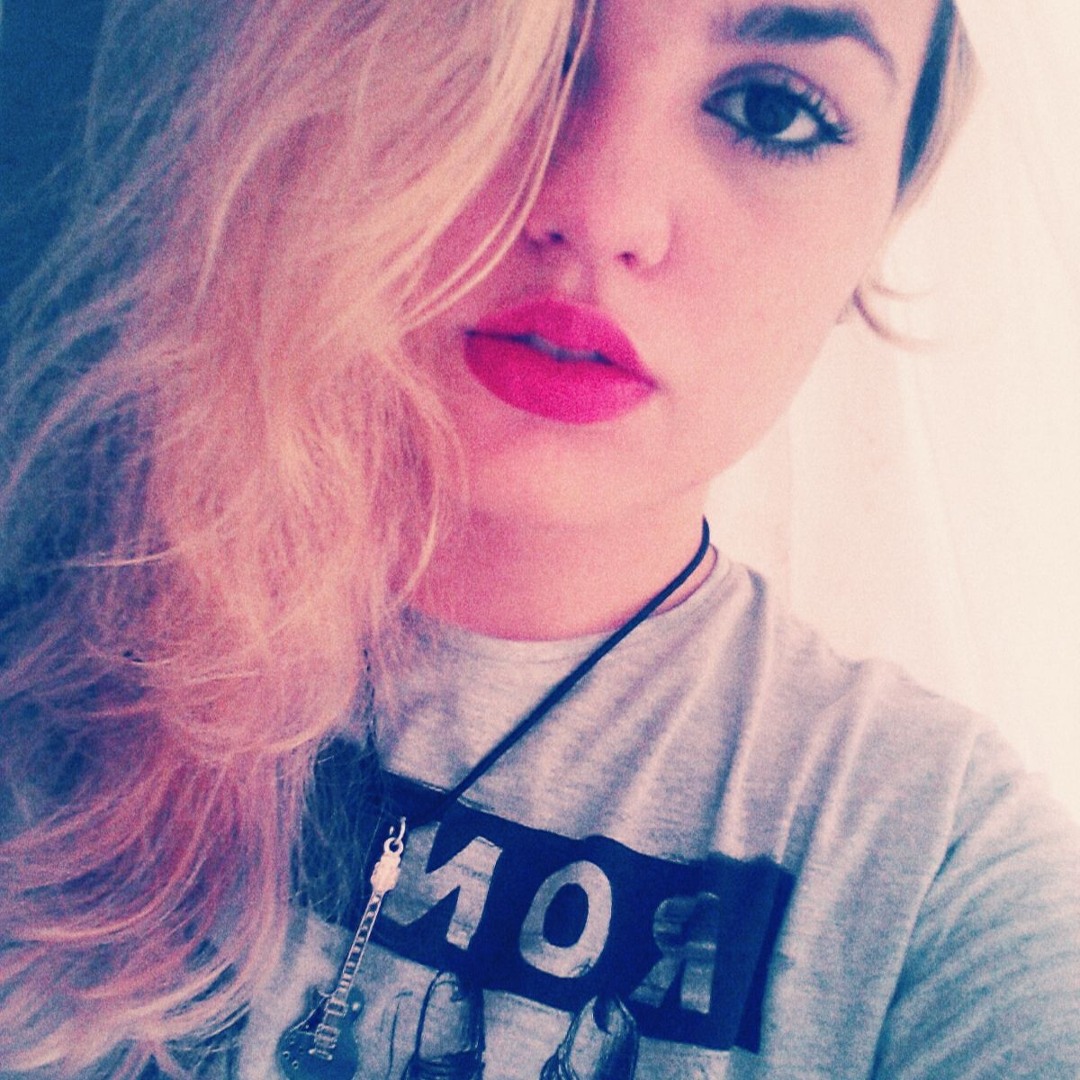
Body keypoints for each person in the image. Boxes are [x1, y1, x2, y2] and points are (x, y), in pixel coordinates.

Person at [0, 0, 1077, 1077]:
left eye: (772, 110)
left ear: (879, 227)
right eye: (518, 61)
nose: (598, 210)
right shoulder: (64, 604)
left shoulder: (931, 872)